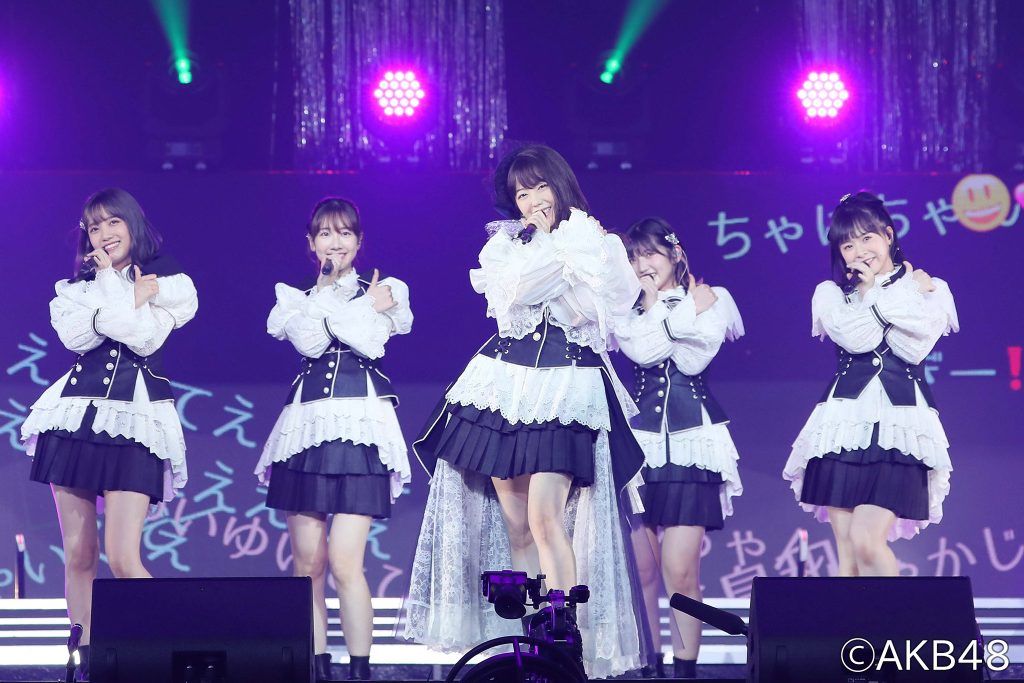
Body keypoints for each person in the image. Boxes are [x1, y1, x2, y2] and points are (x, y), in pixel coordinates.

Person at [404, 144, 648, 678]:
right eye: (521, 193)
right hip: (505, 387)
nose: (533, 200)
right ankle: (528, 652)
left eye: (540, 186)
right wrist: (553, 258)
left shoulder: (600, 242)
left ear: (560, 186)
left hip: (567, 389)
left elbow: (596, 311)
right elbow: (514, 297)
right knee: (517, 528)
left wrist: (563, 258)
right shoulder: (505, 246)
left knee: (544, 516)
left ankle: (564, 639)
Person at [22, 188, 198, 681]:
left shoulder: (169, 282)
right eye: (94, 227)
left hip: (136, 423)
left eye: (112, 222)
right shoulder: (74, 290)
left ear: (132, 224)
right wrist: (119, 299)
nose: (103, 234)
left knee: (122, 556)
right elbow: (76, 337)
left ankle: (169, 654)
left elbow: (144, 337)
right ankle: (86, 662)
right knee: (79, 555)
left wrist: (119, 305)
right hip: (74, 420)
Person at [255, 197, 413, 681]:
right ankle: (317, 668)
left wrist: (348, 312)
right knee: (308, 564)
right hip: (305, 432)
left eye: (344, 232)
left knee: (346, 562)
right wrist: (339, 307)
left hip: (361, 432)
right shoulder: (295, 298)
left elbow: (372, 342)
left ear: (359, 242)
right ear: (311, 243)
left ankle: (360, 671)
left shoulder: (386, 289)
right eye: (325, 233)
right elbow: (309, 342)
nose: (335, 242)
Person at [783, 191, 958, 576]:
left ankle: (896, 617)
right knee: (847, 556)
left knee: (866, 541)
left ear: (888, 236)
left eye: (867, 238)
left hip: (901, 431)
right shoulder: (831, 295)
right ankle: (850, 620)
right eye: (848, 245)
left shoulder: (933, 288)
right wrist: (888, 295)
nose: (859, 251)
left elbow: (913, 348)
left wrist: (883, 294)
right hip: (843, 428)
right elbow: (856, 339)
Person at [614, 217, 744, 679]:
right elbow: (642, 353)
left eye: (650, 253)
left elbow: (693, 358)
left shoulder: (715, 297)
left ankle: (686, 671)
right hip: (640, 450)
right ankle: (648, 666)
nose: (642, 264)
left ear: (674, 254)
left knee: (680, 569)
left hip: (694, 447)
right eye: (634, 257)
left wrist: (670, 315)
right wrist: (669, 310)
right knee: (642, 571)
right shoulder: (625, 310)